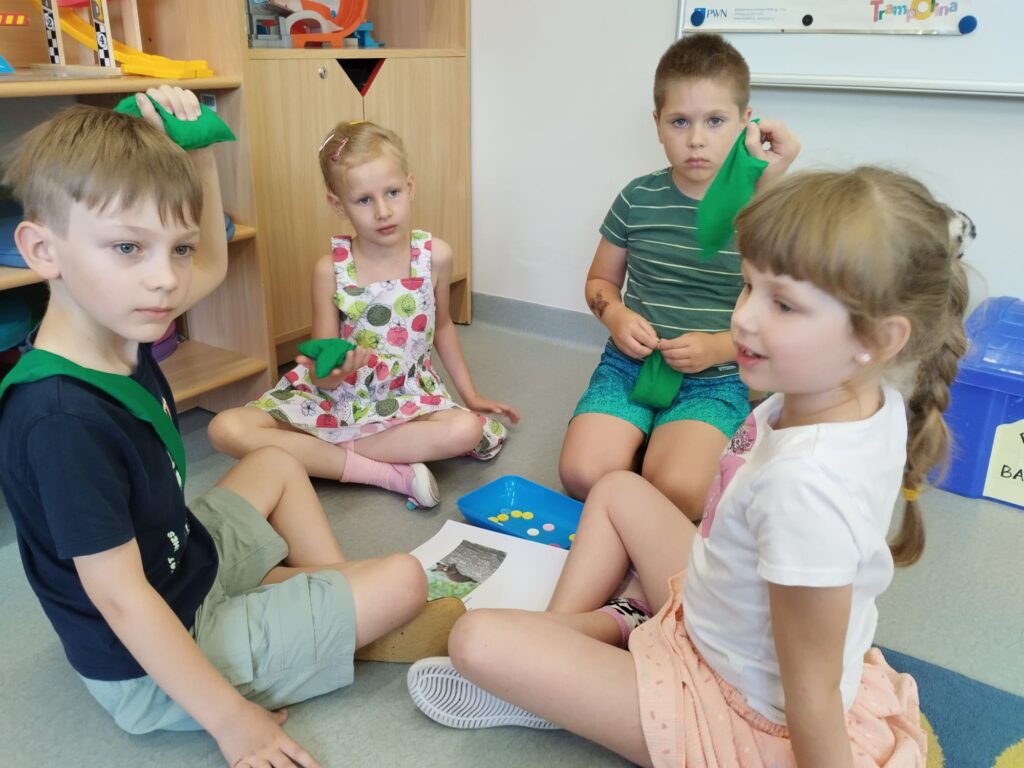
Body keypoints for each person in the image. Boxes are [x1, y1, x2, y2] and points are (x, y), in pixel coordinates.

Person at [407, 166, 972, 766]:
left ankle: (569, 667)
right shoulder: (852, 393)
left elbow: (810, 698)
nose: (743, 318)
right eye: (748, 286)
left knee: (476, 639)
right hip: (717, 607)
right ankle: (595, 638)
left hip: (730, 706)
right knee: (617, 488)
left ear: (878, 339)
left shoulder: (807, 489)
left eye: (783, 304)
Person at [0, 89, 451, 768]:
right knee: (405, 583)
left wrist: (200, 154)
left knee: (277, 463)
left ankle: (325, 595)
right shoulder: (61, 422)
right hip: (152, 660)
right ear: (42, 249)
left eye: (176, 248)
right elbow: (121, 601)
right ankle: (332, 609)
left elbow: (210, 262)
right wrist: (235, 724)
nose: (165, 279)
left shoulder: (117, 325)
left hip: (183, 560)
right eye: (127, 246)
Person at [208, 120, 519, 509]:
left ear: (410, 186)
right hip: (338, 398)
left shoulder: (435, 256)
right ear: (338, 205)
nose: (383, 211)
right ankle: (384, 473)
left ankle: (324, 452)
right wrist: (334, 371)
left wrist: (471, 395)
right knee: (225, 428)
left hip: (405, 394)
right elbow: (323, 370)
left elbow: (442, 328)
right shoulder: (329, 270)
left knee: (465, 430)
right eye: (364, 200)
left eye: (392, 192)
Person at [559, 32, 800, 519]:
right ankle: (644, 442)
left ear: (746, 122)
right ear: (657, 124)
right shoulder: (637, 198)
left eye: (715, 121)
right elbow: (599, 284)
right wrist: (616, 317)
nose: (696, 139)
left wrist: (717, 348)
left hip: (716, 378)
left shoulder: (764, 213)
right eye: (679, 121)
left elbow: (784, 318)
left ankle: (663, 447)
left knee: (679, 492)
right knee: (582, 475)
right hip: (630, 366)